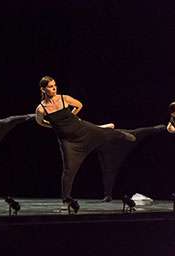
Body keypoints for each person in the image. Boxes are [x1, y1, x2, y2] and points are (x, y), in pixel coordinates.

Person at [35, 75, 136, 211]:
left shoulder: (64, 98)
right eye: (51, 87)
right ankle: (66, 199)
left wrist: (72, 116)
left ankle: (122, 134)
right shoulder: (41, 109)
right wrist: (53, 125)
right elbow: (40, 122)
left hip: (81, 129)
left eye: (55, 85)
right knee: (69, 170)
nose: (54, 88)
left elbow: (79, 105)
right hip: (68, 142)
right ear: (43, 89)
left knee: (103, 133)